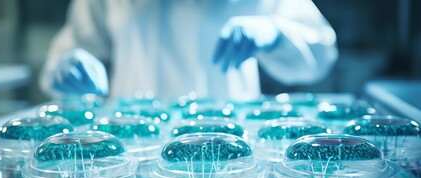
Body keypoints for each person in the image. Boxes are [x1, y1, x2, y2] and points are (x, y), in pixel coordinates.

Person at [40, 0, 338, 102]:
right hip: (135, 149)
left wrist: (275, 33)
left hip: (229, 157)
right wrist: (67, 68)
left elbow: (321, 51)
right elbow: (70, 52)